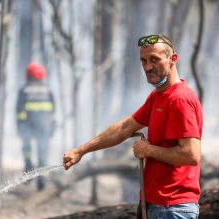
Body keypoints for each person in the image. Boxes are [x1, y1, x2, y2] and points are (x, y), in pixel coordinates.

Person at [63, 35, 202, 219]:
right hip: (156, 205)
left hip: (174, 208)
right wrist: (81, 151)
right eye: (143, 61)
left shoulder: (179, 99)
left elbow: (191, 155)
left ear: (173, 59)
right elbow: (123, 127)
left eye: (154, 59)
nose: (147, 67)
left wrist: (149, 150)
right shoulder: (158, 96)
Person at [16, 61, 55, 190]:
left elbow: (19, 111)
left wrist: (20, 126)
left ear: (28, 75)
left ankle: (28, 169)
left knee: (27, 149)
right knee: (43, 154)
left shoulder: (24, 90)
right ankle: (42, 181)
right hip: (44, 127)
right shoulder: (48, 90)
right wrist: (52, 126)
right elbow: (53, 112)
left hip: (28, 126)